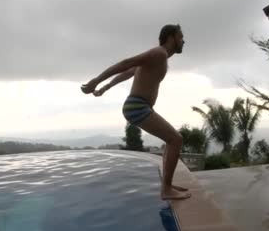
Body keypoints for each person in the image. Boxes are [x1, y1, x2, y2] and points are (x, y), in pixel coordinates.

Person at [81, 24, 191, 200]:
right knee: (176, 140)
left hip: (138, 106)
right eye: (180, 36)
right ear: (171, 37)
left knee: (171, 141)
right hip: (137, 106)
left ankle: (167, 185)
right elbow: (127, 63)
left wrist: (104, 88)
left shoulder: (158, 59)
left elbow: (128, 72)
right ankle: (166, 190)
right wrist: (96, 81)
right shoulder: (159, 53)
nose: (183, 40)